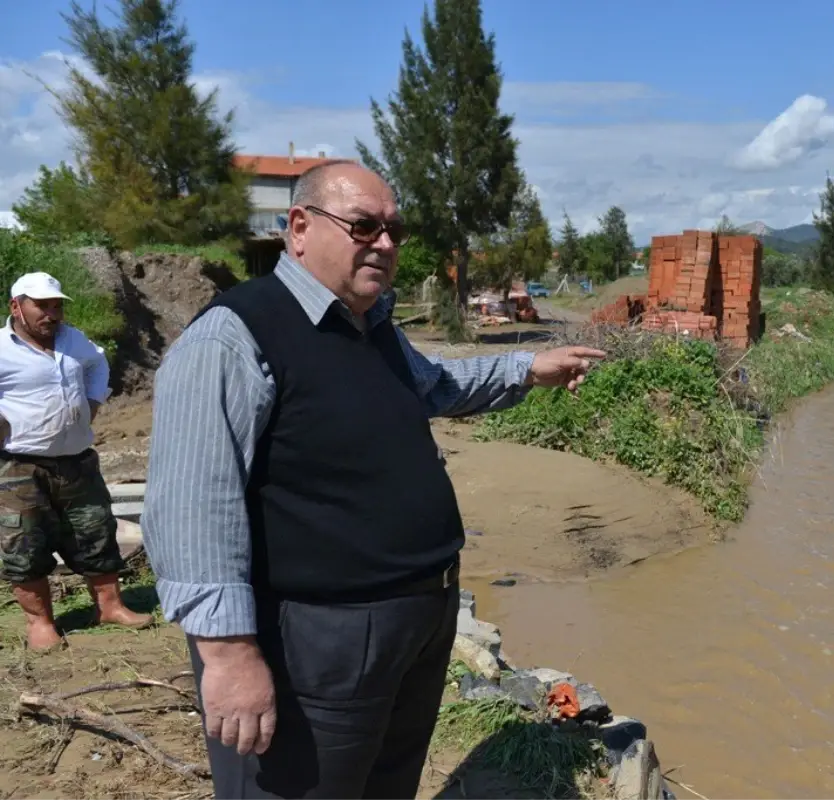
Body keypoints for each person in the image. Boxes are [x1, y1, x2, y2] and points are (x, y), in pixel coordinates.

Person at [141, 161, 605, 799]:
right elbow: (194, 505)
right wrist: (226, 656)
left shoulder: (371, 324)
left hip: (416, 621)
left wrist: (528, 367)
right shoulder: (234, 336)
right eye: (364, 226)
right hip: (321, 639)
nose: (384, 244)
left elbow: (436, 385)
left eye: (394, 230)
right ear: (299, 228)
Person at [0, 271, 153, 651]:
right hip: (19, 465)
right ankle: (41, 624)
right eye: (43, 306)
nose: (52, 314)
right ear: (16, 306)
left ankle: (110, 607)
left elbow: (97, 363)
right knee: (24, 544)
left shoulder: (74, 340)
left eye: (57, 306)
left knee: (96, 533)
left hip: (77, 462)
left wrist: (94, 401)